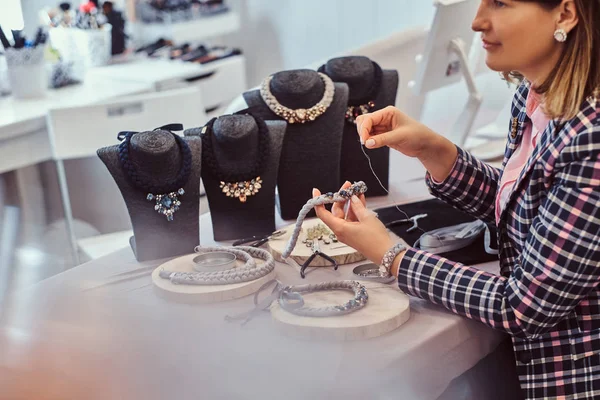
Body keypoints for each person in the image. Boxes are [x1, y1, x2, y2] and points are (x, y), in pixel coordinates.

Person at [314, 1, 600, 399]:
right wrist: (435, 151)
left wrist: (392, 255)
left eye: (500, 3)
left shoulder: (592, 140)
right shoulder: (533, 99)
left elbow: (522, 307)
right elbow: (532, 208)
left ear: (565, 14)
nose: (477, 21)